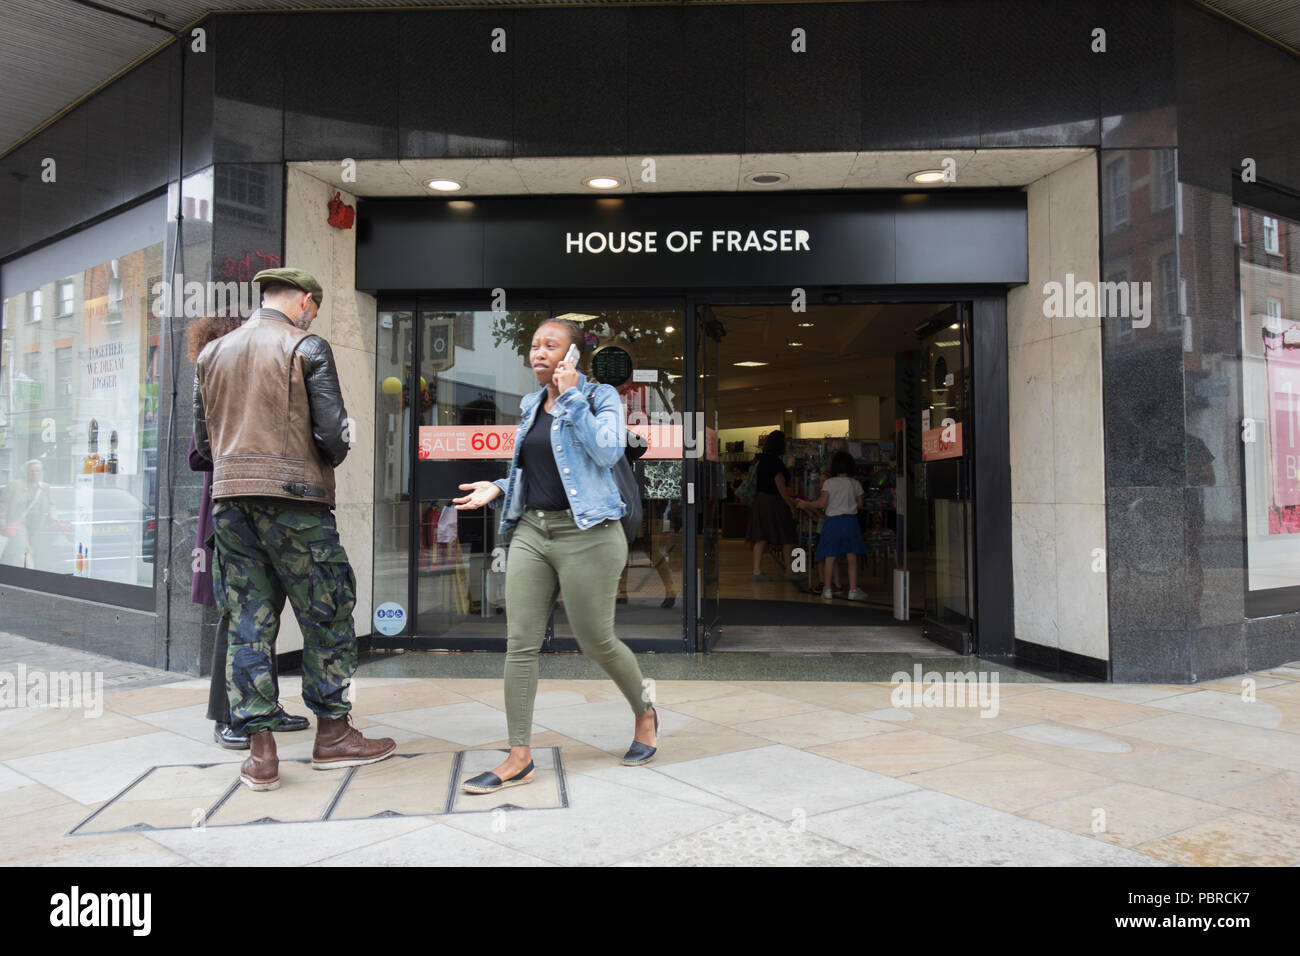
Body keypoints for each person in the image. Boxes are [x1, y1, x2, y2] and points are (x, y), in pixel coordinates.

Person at [193, 268, 395, 792]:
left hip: (231, 504)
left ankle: (260, 752)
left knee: (247, 622)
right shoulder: (307, 346)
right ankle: (333, 734)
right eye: (314, 308)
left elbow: (205, 444)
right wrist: (326, 456)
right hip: (295, 502)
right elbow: (333, 433)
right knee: (327, 610)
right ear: (305, 301)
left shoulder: (211, 354)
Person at [452, 318, 659, 794]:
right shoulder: (528, 405)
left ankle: (644, 713)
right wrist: (499, 486)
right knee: (520, 644)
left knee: (596, 640)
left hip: (590, 533)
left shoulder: (599, 397)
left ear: (572, 357)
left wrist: (569, 399)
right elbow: (537, 471)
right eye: (534, 345)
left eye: (551, 345)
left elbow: (607, 453)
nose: (538, 352)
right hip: (532, 531)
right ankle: (519, 755)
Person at [185, 315, 308, 750]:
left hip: (265, 514)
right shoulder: (216, 382)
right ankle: (227, 716)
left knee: (262, 615)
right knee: (237, 618)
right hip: (229, 514)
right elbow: (197, 456)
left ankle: (262, 708)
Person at [797, 450, 868, 601]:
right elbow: (860, 504)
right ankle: (853, 589)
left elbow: (822, 503)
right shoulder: (855, 483)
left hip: (832, 522)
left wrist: (807, 504)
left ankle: (827, 589)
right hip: (850, 522)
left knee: (829, 556)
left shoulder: (829, 483)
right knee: (851, 556)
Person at [746, 430, 800, 581]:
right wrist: (790, 504)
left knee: (761, 536)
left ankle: (756, 571)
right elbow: (780, 484)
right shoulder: (776, 461)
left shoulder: (762, 460)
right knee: (788, 535)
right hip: (774, 502)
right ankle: (791, 570)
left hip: (760, 500)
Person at [0, 460, 66, 569]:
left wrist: (54, 518)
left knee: (22, 549)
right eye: (32, 471)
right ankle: (25, 573)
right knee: (23, 549)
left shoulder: (44, 487)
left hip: (37, 525)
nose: (35, 473)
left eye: (38, 471)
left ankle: (7, 569)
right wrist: (2, 522)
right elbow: (3, 505)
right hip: (19, 524)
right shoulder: (15, 485)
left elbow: (51, 505)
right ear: (26, 472)